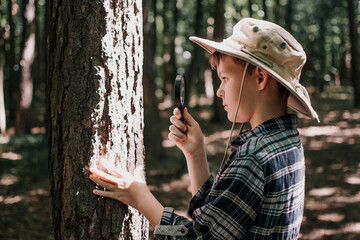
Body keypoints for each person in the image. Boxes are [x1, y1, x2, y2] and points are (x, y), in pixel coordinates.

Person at [89, 17, 319, 239]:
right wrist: (195, 153)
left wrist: (140, 197)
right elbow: (218, 224)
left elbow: (198, 237)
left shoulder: (254, 157)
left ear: (260, 78)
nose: (219, 91)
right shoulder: (288, 141)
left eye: (225, 78)